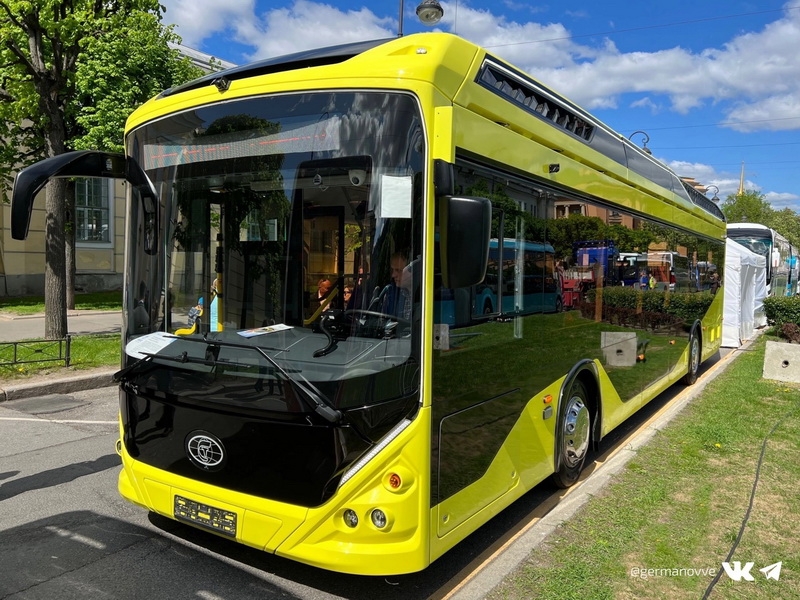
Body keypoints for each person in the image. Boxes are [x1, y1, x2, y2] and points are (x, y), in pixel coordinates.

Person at [380, 252, 412, 320]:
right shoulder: (390, 294)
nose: (393, 275)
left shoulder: (426, 296)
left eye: (398, 270)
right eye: (393, 270)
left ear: (411, 271)